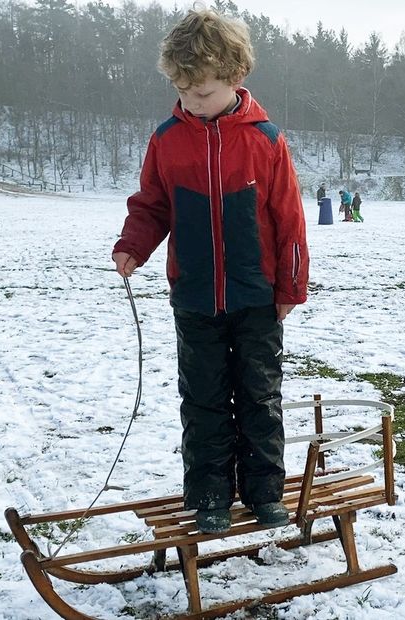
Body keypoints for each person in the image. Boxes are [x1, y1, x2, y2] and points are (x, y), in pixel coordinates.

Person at [111, 7, 309, 535]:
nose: (192, 102)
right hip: (195, 297)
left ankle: (265, 492)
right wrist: (134, 245)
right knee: (202, 401)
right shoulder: (167, 139)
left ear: (235, 77)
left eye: (204, 92)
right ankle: (209, 498)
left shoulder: (266, 140)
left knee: (259, 397)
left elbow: (289, 220)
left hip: (256, 297)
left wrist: (290, 288)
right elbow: (152, 204)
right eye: (183, 91)